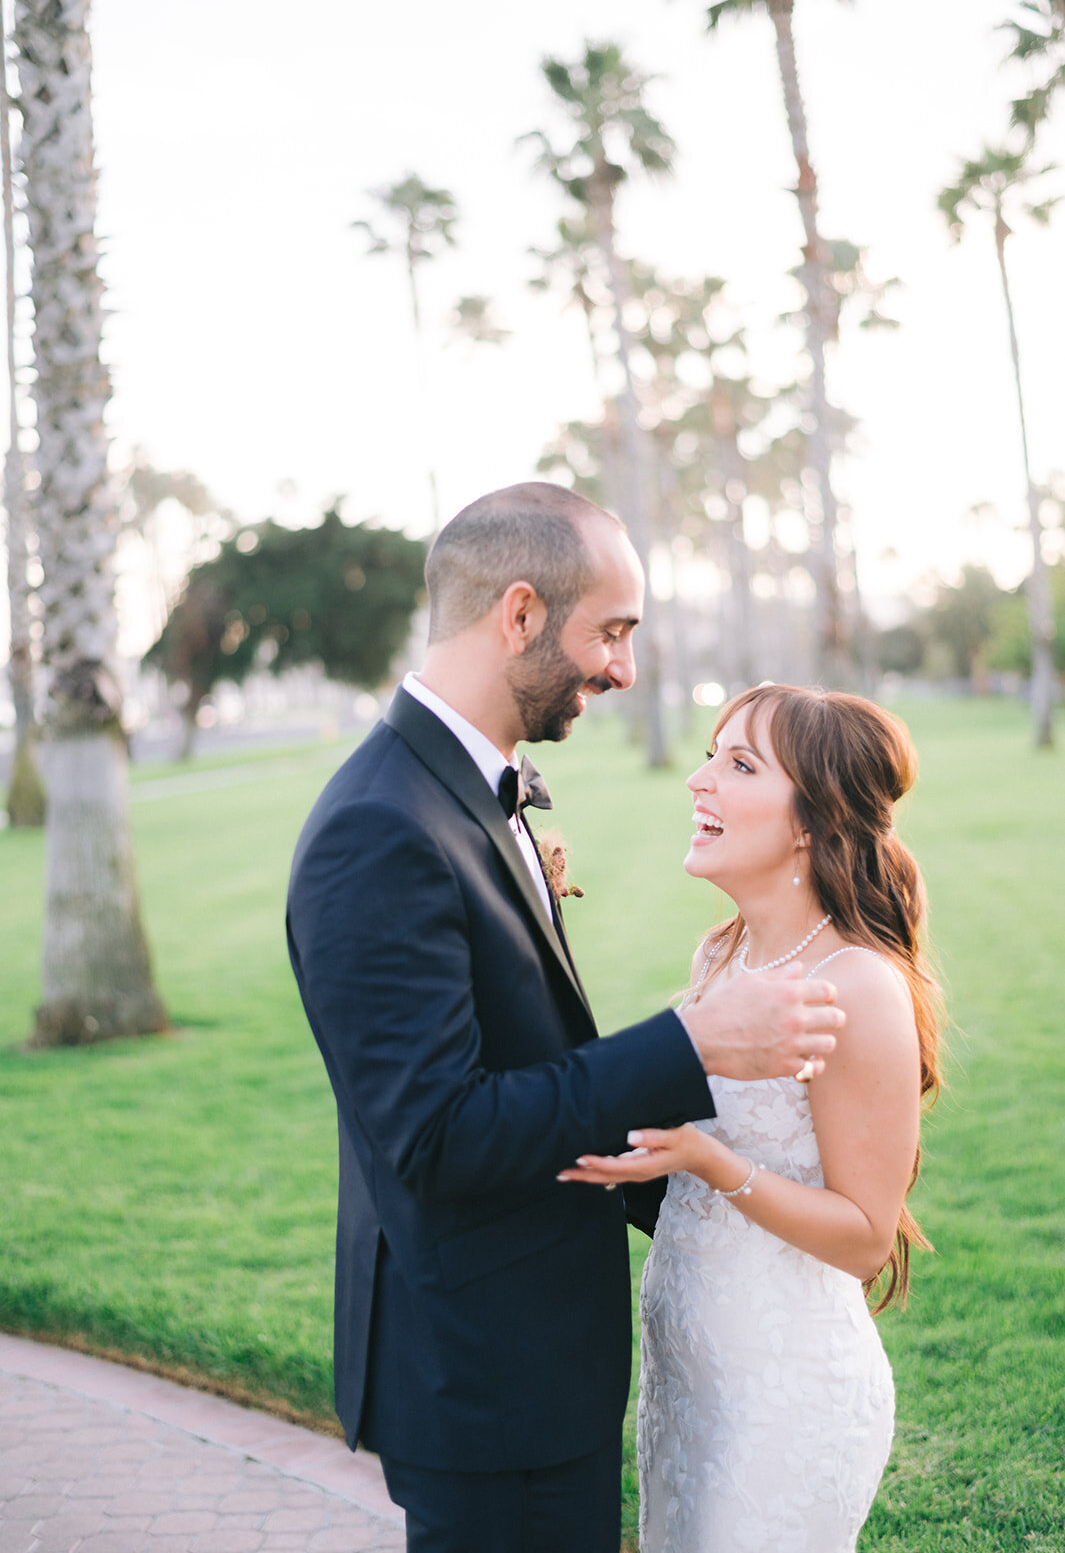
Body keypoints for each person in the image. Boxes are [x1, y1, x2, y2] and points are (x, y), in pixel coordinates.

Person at [286, 484, 845, 1553]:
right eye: (614, 632)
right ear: (523, 613)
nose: (624, 670)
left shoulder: (456, 790)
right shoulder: (380, 829)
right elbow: (435, 1136)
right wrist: (692, 1046)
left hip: (530, 1364)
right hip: (488, 1381)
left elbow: (516, 1058)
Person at [560, 683, 943, 1553]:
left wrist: (704, 1158)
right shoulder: (722, 950)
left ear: (810, 820)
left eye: (737, 765)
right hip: (690, 1374)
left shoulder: (855, 986)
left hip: (783, 1397)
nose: (699, 782)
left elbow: (861, 1238)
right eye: (709, 755)